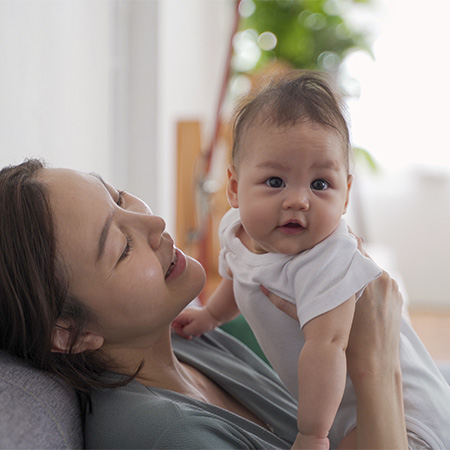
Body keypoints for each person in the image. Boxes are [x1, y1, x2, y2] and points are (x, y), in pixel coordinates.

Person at [0, 158, 411, 449]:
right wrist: (376, 359)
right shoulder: (169, 437)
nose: (154, 224)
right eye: (121, 246)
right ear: (71, 333)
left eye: (121, 198)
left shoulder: (186, 337)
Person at [172, 72, 450, 449]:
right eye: (275, 181)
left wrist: (312, 434)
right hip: (343, 406)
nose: (298, 200)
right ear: (235, 188)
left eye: (320, 184)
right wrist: (211, 317)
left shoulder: (328, 260)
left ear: (346, 194)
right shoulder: (236, 231)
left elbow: (327, 349)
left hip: (406, 414)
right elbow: (243, 279)